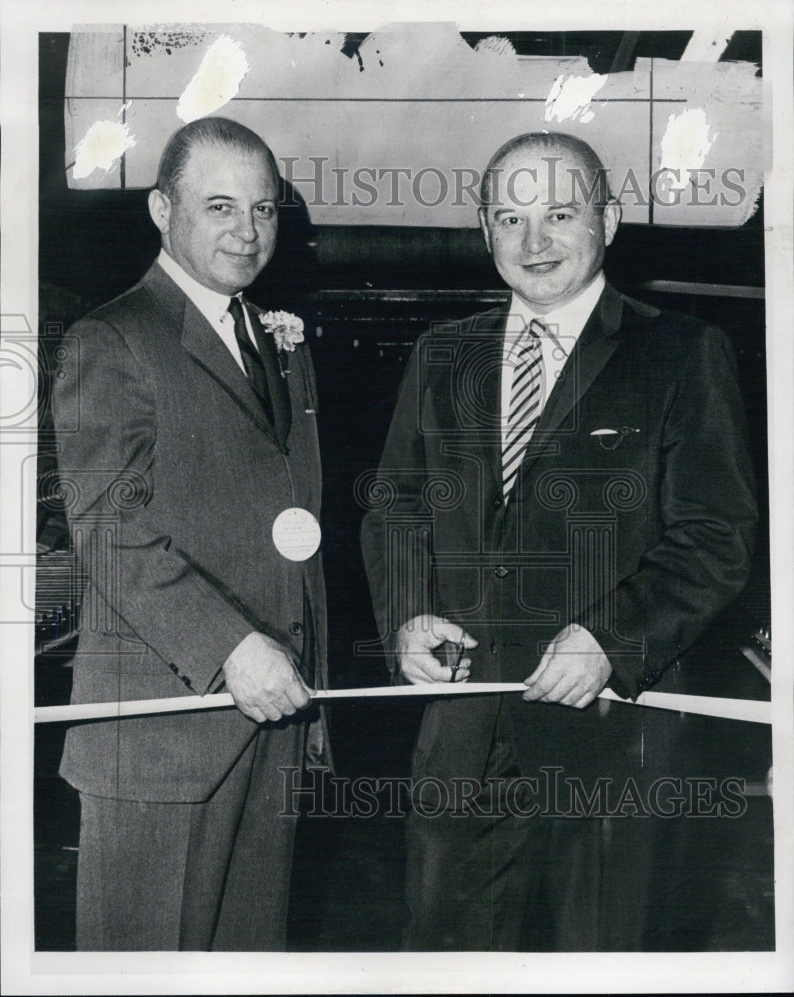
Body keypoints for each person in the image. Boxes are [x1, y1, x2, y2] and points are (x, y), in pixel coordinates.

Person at [360, 131, 758, 950]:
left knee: (606, 954)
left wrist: (608, 638)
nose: (533, 240)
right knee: (444, 955)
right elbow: (395, 506)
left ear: (606, 222)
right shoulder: (443, 354)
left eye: (559, 214)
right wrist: (408, 613)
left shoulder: (683, 353)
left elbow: (716, 536)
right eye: (510, 217)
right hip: (464, 731)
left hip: (618, 736)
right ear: (486, 231)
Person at [50, 117, 327, 951]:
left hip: (272, 722)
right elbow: (107, 526)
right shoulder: (114, 339)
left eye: (265, 209)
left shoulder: (278, 344)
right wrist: (233, 647)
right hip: (160, 738)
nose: (248, 232)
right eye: (219, 206)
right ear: (161, 209)